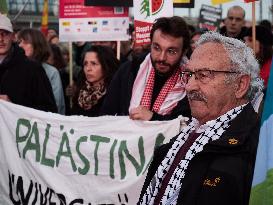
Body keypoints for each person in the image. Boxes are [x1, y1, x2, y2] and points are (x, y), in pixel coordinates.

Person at [138, 32, 263, 205]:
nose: (189, 86)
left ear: (240, 85)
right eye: (189, 74)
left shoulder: (257, 150)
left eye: (204, 75)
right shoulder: (183, 137)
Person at [100, 16, 191, 121]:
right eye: (156, 48)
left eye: (171, 51)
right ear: (150, 45)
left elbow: (189, 127)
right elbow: (105, 117)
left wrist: (153, 118)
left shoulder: (192, 81)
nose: (162, 58)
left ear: (184, 51)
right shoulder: (128, 71)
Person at [0, 14, 57, 112]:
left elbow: (49, 111)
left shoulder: (33, 68)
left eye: (5, 33)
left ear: (13, 36)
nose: (0, 39)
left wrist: (12, 107)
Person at [18, 28, 65, 114]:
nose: (20, 45)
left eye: (25, 42)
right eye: (20, 42)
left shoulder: (51, 72)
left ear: (37, 45)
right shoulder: (15, 68)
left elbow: (56, 104)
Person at [68, 45, 119, 117]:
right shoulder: (80, 92)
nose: (88, 69)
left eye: (94, 64)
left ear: (105, 66)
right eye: (85, 64)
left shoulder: (114, 93)